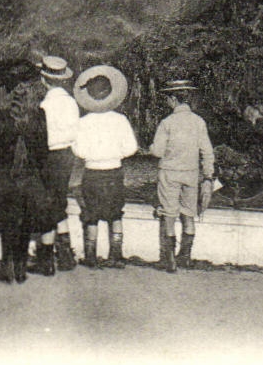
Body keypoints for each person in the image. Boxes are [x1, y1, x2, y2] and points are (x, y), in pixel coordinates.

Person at [0, 58, 50, 284]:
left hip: (6, 176)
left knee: (8, 224)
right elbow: (43, 150)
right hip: (30, 177)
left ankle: (5, 269)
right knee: (25, 222)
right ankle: (21, 269)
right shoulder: (39, 115)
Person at [72, 67, 138, 269]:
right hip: (114, 171)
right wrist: (115, 153)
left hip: (92, 172)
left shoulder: (82, 122)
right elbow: (131, 148)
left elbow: (78, 150)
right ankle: (116, 255)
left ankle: (90, 255)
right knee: (115, 212)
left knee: (91, 213)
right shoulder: (120, 120)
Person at [149, 79, 217, 273]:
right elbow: (207, 151)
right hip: (191, 174)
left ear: (173, 99)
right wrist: (208, 175)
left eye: (167, 99)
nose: (167, 103)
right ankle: (185, 257)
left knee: (169, 215)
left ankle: (168, 259)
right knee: (189, 215)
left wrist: (151, 147)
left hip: (170, 173)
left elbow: (158, 151)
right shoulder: (198, 122)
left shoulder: (167, 123)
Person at [35, 55, 80, 274]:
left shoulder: (45, 105)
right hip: (67, 155)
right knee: (59, 201)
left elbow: (42, 136)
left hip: (49, 155)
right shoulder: (71, 102)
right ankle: (65, 255)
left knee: (46, 204)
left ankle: (45, 259)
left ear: (44, 80)